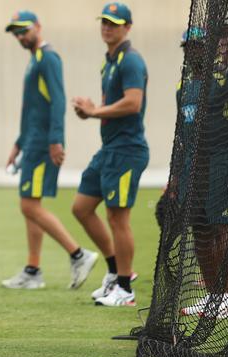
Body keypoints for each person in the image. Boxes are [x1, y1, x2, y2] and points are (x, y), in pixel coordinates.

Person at [1, 11, 98, 291]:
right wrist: (18, 144)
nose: (20, 36)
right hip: (32, 143)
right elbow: (32, 108)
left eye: (24, 30)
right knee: (31, 206)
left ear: (38, 27)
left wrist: (56, 140)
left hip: (43, 144)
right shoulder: (36, 60)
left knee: (28, 205)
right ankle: (33, 270)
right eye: (16, 32)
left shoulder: (48, 59)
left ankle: (78, 254)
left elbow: (57, 102)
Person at [71, 2, 148, 307]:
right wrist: (90, 110)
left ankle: (126, 289)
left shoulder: (131, 61)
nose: (107, 27)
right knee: (81, 207)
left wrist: (94, 112)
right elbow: (107, 106)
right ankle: (115, 273)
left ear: (127, 28)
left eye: (114, 24)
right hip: (109, 150)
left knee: (118, 218)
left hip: (127, 151)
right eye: (104, 22)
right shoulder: (110, 60)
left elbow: (133, 104)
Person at [180, 11, 228, 318]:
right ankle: (212, 294)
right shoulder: (186, 87)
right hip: (194, 168)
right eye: (188, 49)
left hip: (223, 163)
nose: (193, 53)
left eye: (198, 47)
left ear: (209, 48)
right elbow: (182, 136)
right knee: (199, 228)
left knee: (222, 227)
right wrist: (177, 177)